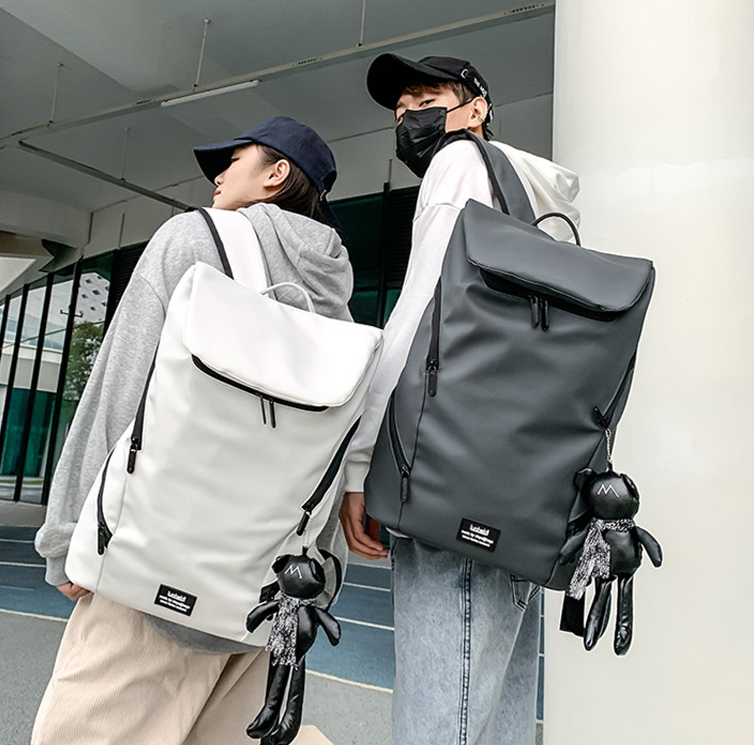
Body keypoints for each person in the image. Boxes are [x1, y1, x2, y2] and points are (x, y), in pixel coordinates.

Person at [33, 116, 352, 745]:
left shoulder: (194, 237)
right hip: (268, 584)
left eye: (232, 161)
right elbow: (334, 442)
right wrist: (322, 570)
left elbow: (123, 385)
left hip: (157, 557)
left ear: (275, 173)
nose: (218, 177)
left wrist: (69, 534)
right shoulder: (332, 290)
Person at [339, 54, 582, 744]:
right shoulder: (534, 199)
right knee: (498, 703)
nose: (408, 116)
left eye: (426, 98)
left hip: (449, 469)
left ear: (476, 109)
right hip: (521, 478)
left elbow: (421, 314)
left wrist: (363, 463)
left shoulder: (457, 163)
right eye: (400, 108)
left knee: (441, 708)